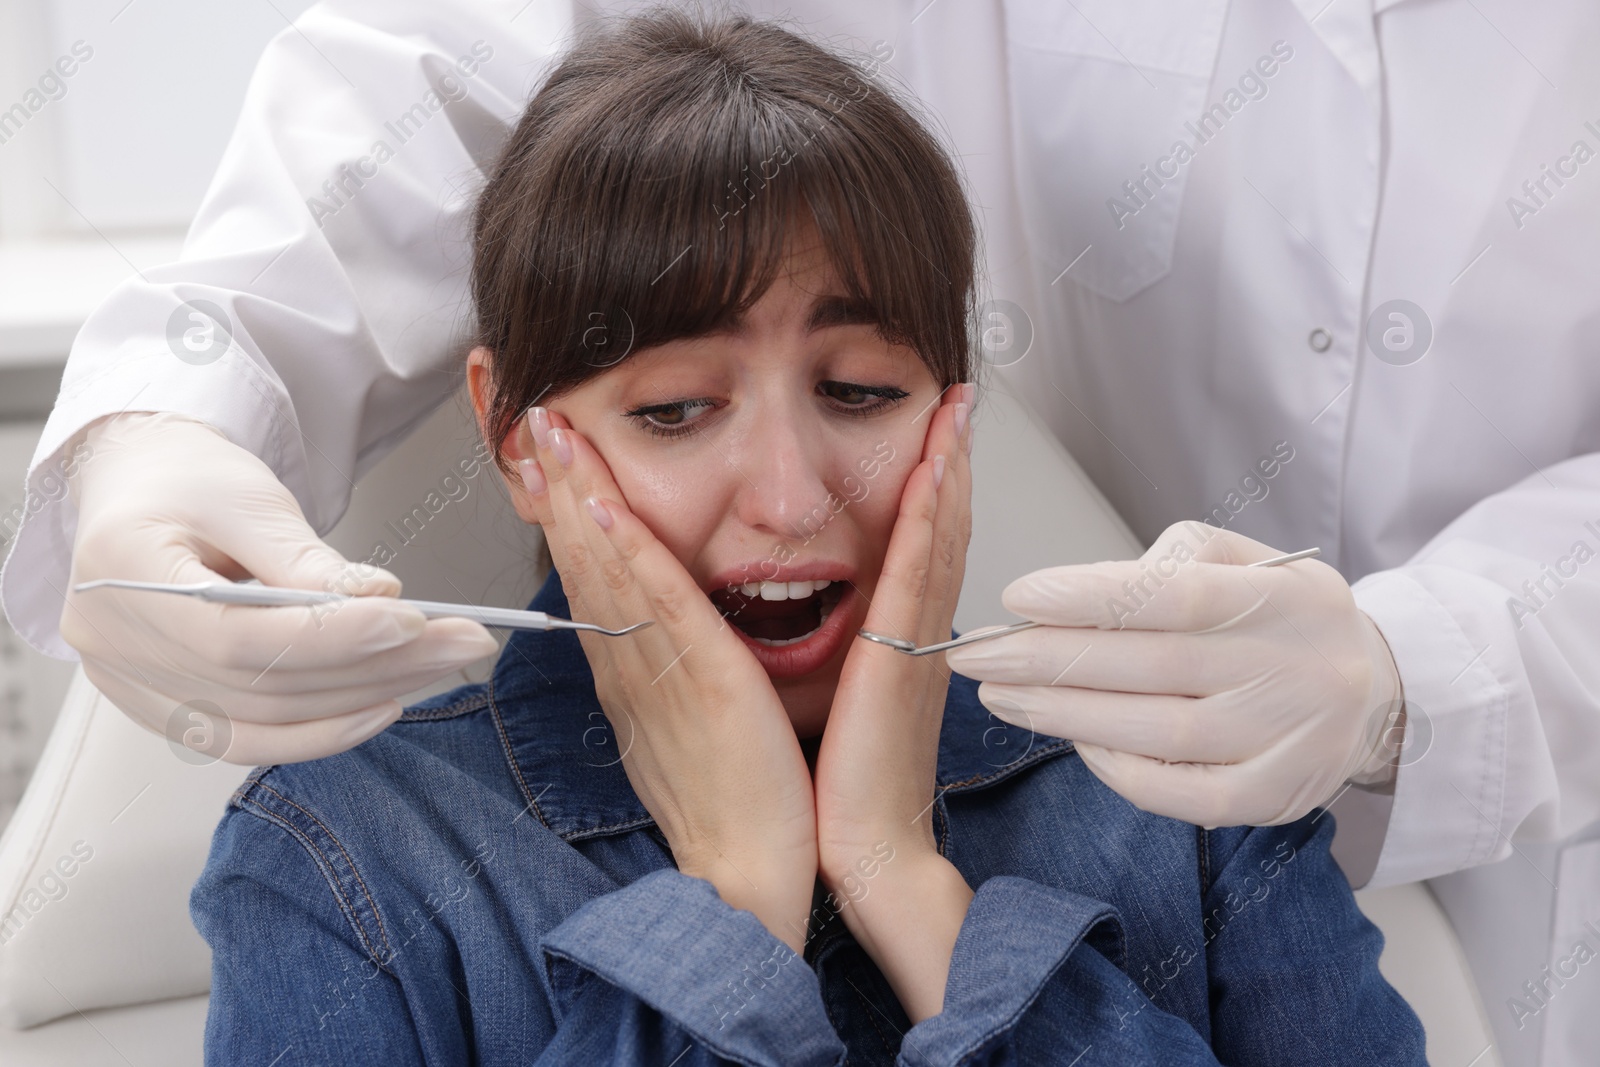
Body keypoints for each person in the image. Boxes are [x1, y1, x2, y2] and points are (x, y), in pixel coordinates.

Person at [2, 1, 1596, 1061]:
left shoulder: (1192, 814)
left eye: (860, 387)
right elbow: (422, 77)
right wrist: (736, 909)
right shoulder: (351, 863)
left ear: (957, 397)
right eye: (674, 411)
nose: (787, 499)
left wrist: (909, 886)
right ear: (512, 436)